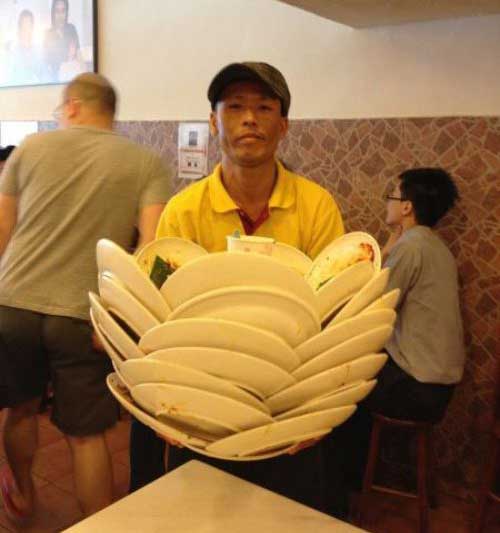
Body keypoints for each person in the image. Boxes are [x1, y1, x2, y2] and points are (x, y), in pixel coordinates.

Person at [130, 62, 344, 510]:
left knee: (287, 517)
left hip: (288, 408)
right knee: (200, 516)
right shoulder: (183, 211)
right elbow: (159, 316)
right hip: (203, 405)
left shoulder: (316, 206)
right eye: (235, 107)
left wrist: (318, 410)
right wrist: (166, 401)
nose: (250, 118)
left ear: (283, 125)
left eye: (264, 107)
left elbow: (336, 313)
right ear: (213, 121)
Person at [0, 73, 171, 524]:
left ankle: (22, 495)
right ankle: (98, 525)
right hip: (83, 315)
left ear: (72, 106)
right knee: (87, 436)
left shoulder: (28, 148)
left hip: (13, 305)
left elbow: (2, 230)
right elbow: (151, 251)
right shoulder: (146, 162)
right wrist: (118, 318)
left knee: (20, 410)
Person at [323, 167, 466, 517]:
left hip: (417, 388)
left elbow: (375, 304)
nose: (386, 202)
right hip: (439, 386)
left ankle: (339, 492)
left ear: (406, 206)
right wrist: (391, 242)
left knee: (339, 392)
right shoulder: (432, 245)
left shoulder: (411, 247)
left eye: (392, 196)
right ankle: (350, 482)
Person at [43, 0, 81, 81]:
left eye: (63, 11)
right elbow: (46, 63)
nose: (60, 15)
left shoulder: (71, 29)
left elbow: (79, 55)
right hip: (55, 80)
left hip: (72, 76)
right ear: (53, 13)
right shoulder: (48, 34)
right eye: (57, 11)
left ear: (67, 12)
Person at [6, 10, 42, 86]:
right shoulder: (13, 52)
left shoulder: (38, 51)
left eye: (28, 25)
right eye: (23, 25)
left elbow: (44, 76)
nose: (26, 29)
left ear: (32, 28)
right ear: (19, 27)